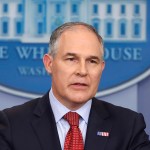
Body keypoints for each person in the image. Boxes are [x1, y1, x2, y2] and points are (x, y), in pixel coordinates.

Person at [0, 22, 150, 150]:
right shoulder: (11, 124)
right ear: (49, 64)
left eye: (92, 61)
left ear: (102, 67)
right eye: (71, 59)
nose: (82, 71)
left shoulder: (129, 126)